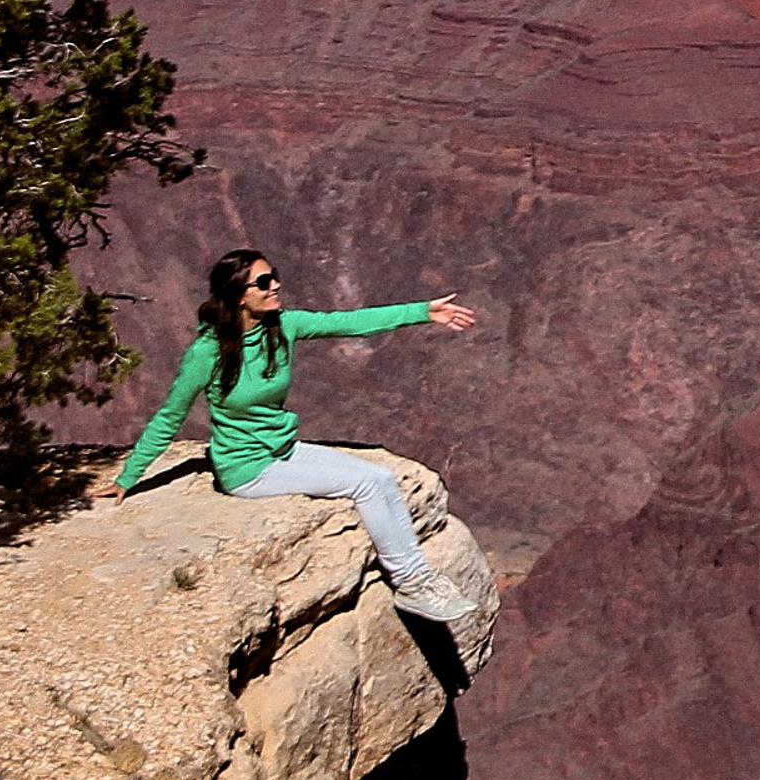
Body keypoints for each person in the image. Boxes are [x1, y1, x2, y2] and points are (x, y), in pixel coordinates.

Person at [93, 249, 480, 625]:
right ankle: (411, 584)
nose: (275, 285)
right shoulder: (206, 353)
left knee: (380, 477)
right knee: (363, 484)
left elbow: (348, 322)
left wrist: (423, 312)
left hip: (283, 449)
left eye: (273, 276)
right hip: (247, 469)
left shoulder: (282, 327)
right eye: (263, 282)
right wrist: (128, 477)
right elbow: (169, 416)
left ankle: (421, 577)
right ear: (239, 295)